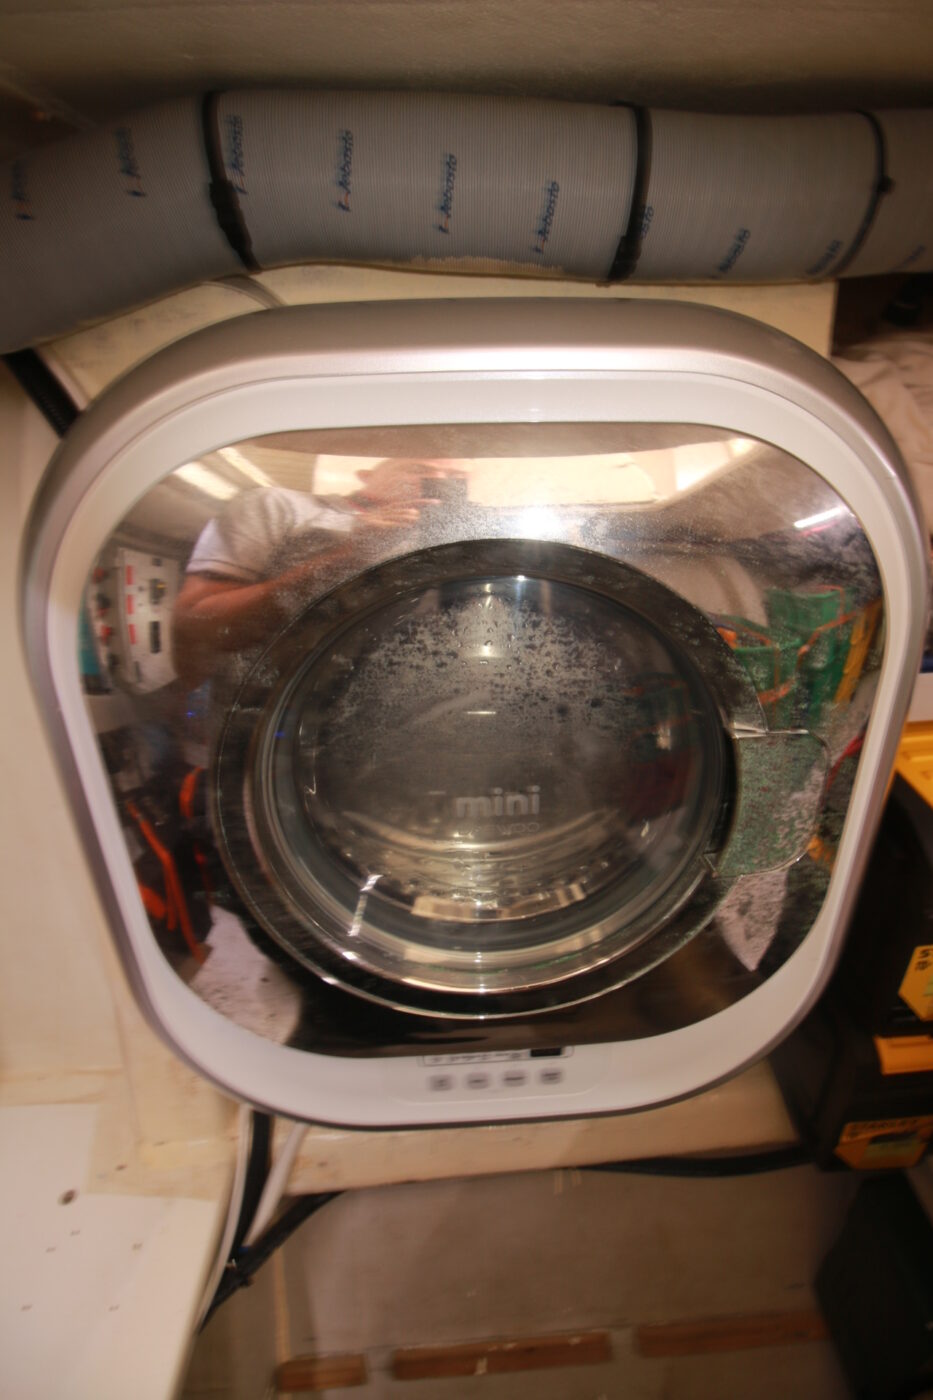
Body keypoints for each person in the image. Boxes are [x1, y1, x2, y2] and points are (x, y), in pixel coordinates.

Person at [172, 458, 463, 690]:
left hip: (396, 712)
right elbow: (196, 626)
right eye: (418, 469)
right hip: (270, 709)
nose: (436, 483)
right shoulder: (278, 506)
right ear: (366, 474)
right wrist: (348, 557)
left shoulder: (460, 538)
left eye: (455, 478)